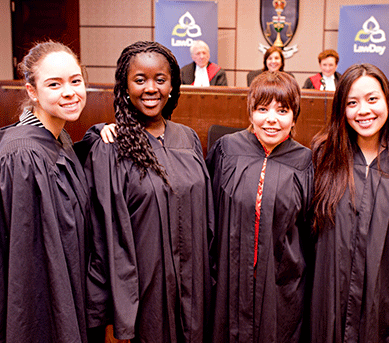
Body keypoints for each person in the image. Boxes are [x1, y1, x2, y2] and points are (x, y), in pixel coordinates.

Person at [77, 41, 214, 342]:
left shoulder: (188, 139)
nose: (150, 88)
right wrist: (112, 309)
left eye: (160, 80)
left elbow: (207, 221)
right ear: (125, 87)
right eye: (140, 80)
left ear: (172, 86)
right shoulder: (111, 146)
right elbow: (104, 235)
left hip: (194, 289)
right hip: (144, 296)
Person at [310, 63, 389, 342]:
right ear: (341, 109)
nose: (363, 111)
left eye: (372, 99)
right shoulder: (324, 159)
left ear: (388, 100)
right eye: (352, 102)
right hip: (329, 306)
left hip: (386, 307)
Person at [206, 71, 313, 342]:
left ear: (294, 115)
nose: (272, 119)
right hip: (230, 282)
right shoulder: (226, 150)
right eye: (262, 109)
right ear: (251, 112)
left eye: (282, 110)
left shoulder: (305, 163)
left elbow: (311, 235)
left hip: (282, 286)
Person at [0, 41, 90, 342]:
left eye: (75, 81)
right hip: (40, 312)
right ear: (32, 91)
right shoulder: (22, 155)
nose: (69, 92)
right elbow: (26, 263)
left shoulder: (59, 138)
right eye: (54, 84)